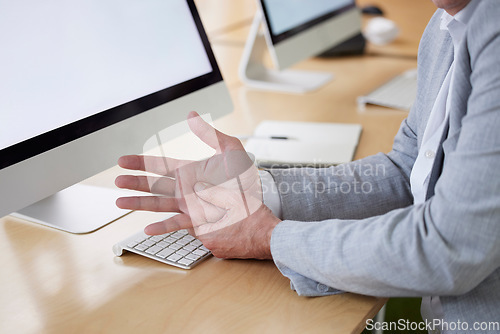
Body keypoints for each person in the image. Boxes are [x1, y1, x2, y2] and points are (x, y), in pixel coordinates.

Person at [115, 0, 500, 332]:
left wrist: (268, 237)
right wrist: (262, 190)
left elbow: (448, 247)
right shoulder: (447, 25)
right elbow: (407, 171)